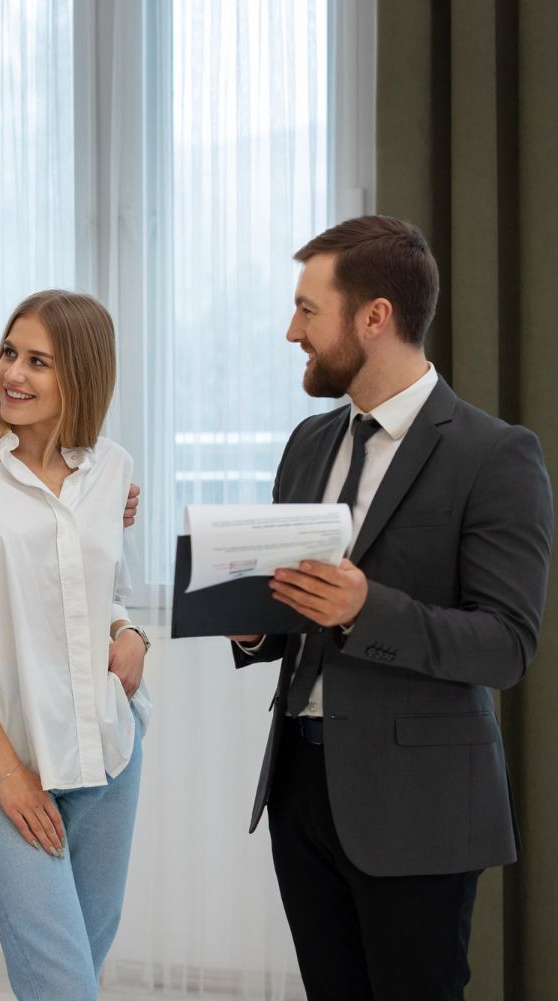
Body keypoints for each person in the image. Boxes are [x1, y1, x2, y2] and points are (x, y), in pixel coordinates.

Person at [229, 215, 553, 1001]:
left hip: (420, 804)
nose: (292, 332)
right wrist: (252, 627)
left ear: (374, 317)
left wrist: (366, 608)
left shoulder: (495, 455)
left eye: (308, 310)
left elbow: (506, 644)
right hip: (301, 787)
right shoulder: (308, 443)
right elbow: (296, 607)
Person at [0, 289, 150, 1001]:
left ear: (81, 373)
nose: (12, 374)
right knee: (61, 984)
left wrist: (131, 633)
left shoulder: (111, 467)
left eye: (38, 361)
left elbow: (106, 591)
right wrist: (9, 772)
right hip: (5, 762)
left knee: (83, 967)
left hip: (106, 748)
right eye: (9, 352)